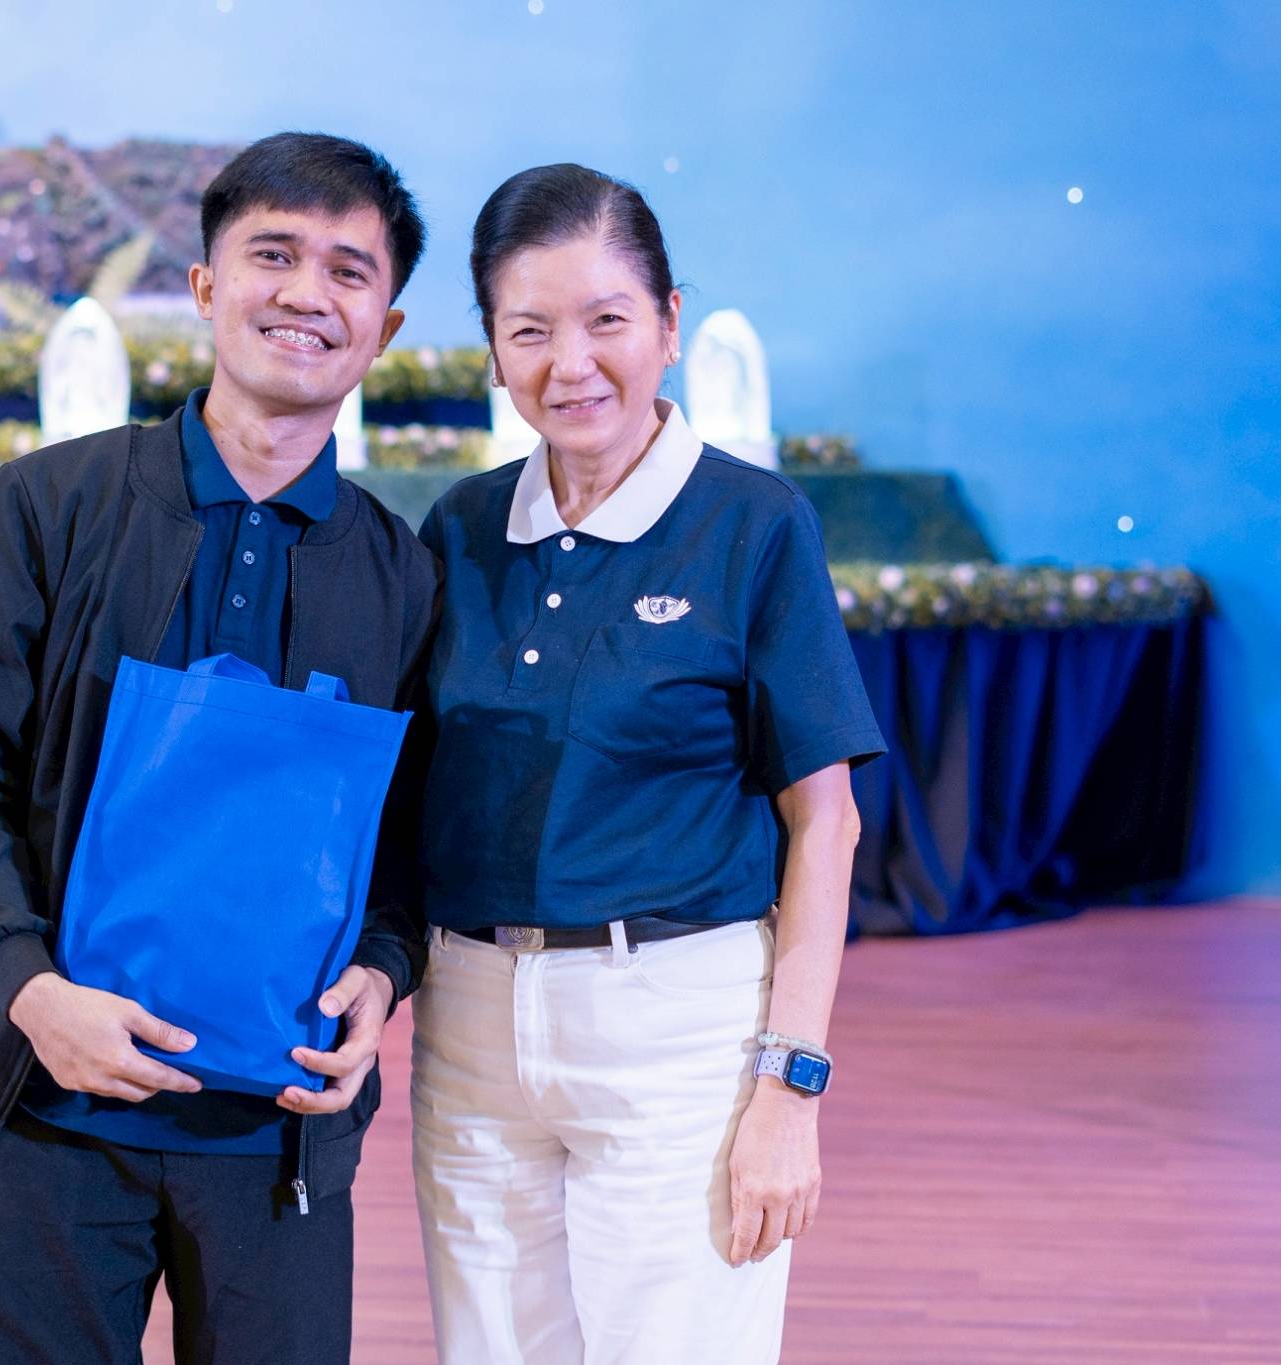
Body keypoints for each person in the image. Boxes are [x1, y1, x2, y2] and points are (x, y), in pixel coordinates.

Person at [0, 131, 438, 1365]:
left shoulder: (403, 575)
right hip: (48, 1100)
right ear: (205, 287)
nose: (307, 294)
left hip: (279, 1125)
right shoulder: (47, 506)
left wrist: (382, 971)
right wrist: (34, 994)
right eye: (272, 254)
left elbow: (409, 834)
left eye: (348, 272)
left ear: (386, 328)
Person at [410, 163, 887, 1364]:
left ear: (668, 324)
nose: (569, 364)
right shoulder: (459, 528)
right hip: (469, 1028)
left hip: (678, 1029)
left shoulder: (752, 525)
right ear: (492, 349)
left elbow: (823, 824)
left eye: (605, 321)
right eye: (528, 331)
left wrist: (791, 1087)